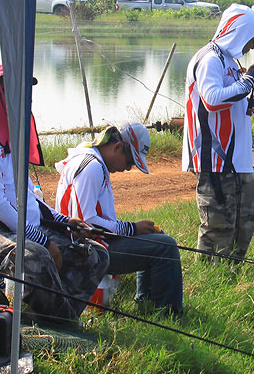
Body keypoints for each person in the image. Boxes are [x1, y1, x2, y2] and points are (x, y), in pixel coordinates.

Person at [0, 64, 108, 322]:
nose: (25, 100)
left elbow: (27, 197)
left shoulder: (5, 137)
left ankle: (53, 320)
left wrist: (64, 222)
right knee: (36, 255)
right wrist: (44, 240)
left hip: (11, 227)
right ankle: (58, 324)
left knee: (94, 254)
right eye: (16, 92)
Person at [183, 4, 254, 260]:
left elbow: (237, 98)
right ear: (238, 33)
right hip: (215, 156)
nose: (252, 46)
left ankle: (233, 268)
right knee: (218, 223)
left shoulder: (229, 61)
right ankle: (211, 275)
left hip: (238, 158)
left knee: (246, 215)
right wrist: (249, 80)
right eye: (251, 39)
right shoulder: (210, 59)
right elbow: (212, 100)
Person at [55, 123, 183, 315]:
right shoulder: (92, 167)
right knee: (166, 247)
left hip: (93, 243)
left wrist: (132, 229)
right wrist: (131, 229)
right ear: (117, 147)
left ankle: (146, 302)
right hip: (87, 251)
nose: (129, 168)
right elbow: (85, 222)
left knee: (157, 236)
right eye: (130, 161)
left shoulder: (92, 160)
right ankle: (168, 314)